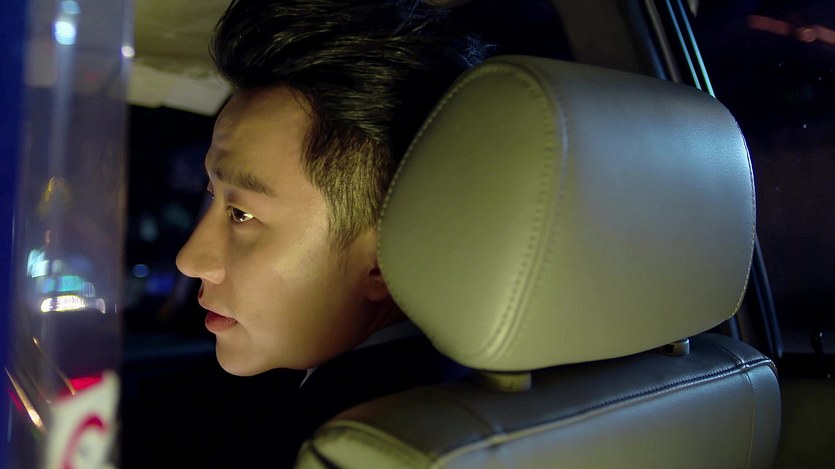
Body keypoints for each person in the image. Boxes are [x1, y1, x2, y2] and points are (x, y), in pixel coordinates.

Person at [173, 0, 490, 466]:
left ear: (385, 255)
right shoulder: (470, 399)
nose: (189, 259)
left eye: (240, 214)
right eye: (212, 196)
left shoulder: (329, 453)